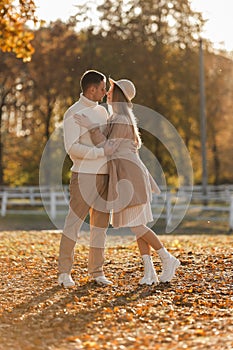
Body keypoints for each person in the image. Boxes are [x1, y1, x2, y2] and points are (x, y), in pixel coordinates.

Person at [74, 77, 180, 285]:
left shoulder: (121, 119)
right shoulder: (117, 117)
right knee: (137, 225)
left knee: (137, 226)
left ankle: (168, 259)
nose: (108, 93)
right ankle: (149, 273)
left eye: (111, 90)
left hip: (130, 176)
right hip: (125, 175)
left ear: (119, 94)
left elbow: (108, 147)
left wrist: (90, 127)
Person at [58, 70, 120, 288]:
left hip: (105, 176)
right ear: (92, 89)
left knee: (100, 227)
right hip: (83, 175)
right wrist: (101, 153)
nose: (105, 93)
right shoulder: (73, 113)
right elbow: (72, 148)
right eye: (103, 88)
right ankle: (64, 272)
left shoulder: (103, 112)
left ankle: (97, 272)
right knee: (73, 223)